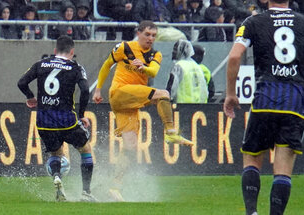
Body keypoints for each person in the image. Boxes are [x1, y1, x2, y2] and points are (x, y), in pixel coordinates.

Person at [223, 0, 304, 214]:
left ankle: (251, 212)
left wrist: (231, 93)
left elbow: (235, 56)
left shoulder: (253, 21)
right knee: (283, 168)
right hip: (295, 101)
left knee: (252, 157)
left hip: (265, 98)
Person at [92, 20, 193, 201]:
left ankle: (114, 186)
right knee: (162, 94)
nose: (150, 38)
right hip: (119, 93)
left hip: (131, 103)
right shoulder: (124, 47)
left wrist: (143, 68)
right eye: (147, 34)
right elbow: (107, 64)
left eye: (154, 35)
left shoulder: (156, 54)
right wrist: (98, 89)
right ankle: (170, 131)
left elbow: (153, 72)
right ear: (138, 33)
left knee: (131, 146)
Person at [17, 35, 97, 202]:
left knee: (56, 152)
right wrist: (82, 115)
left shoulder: (41, 64)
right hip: (66, 120)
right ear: (72, 52)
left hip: (44, 120)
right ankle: (86, 193)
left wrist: (30, 97)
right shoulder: (75, 67)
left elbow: (21, 82)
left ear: (55, 51)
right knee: (85, 150)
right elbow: (84, 90)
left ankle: (56, 176)